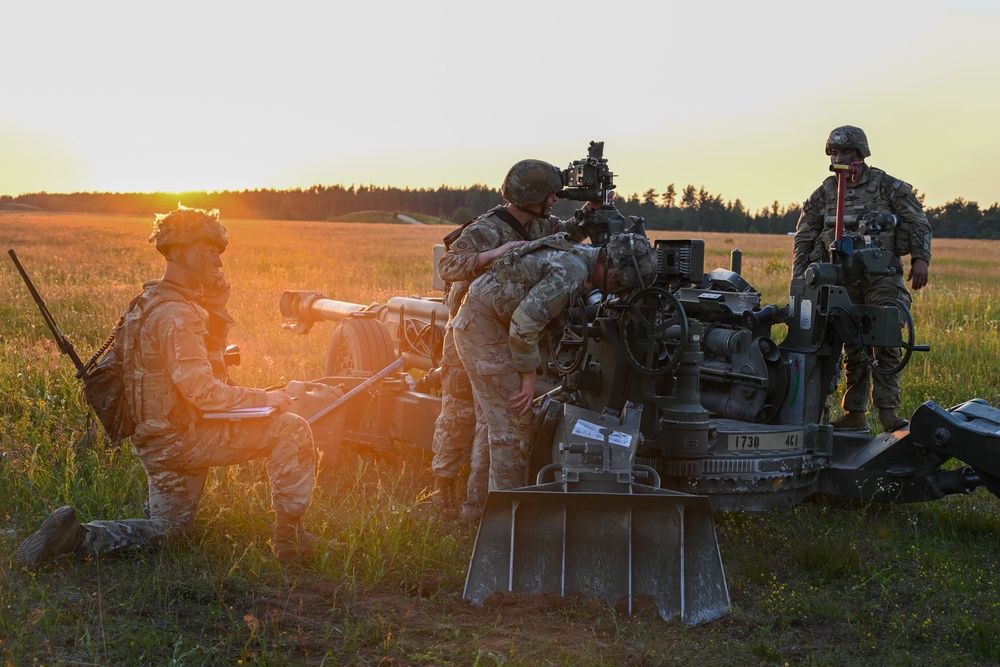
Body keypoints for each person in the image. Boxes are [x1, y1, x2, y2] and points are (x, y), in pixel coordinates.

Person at [14, 206, 321, 567]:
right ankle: (290, 542)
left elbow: (202, 372)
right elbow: (205, 392)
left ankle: (78, 537)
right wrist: (267, 398)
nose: (217, 260)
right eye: (206, 249)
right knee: (291, 427)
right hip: (183, 440)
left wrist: (216, 311)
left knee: (171, 530)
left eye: (218, 251)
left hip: (155, 443)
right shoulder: (177, 314)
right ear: (178, 252)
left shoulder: (147, 303)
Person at [432, 159, 591, 519]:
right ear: (531, 195)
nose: (555, 202)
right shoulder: (487, 229)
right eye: (550, 195)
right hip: (467, 330)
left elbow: (562, 235)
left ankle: (478, 501)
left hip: (504, 332)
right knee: (458, 413)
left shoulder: (539, 223)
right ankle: (442, 487)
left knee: (493, 419)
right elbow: (448, 266)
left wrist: (589, 212)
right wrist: (492, 255)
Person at [452, 232, 657, 498]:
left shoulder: (576, 258)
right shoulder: (571, 273)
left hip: (484, 323)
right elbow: (524, 325)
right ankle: (505, 517)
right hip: (484, 329)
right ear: (613, 272)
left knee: (495, 422)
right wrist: (529, 378)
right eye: (620, 286)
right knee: (514, 426)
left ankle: (478, 507)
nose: (615, 291)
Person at [793, 125, 932, 433]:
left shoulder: (887, 186)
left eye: (847, 153)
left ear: (860, 155)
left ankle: (888, 413)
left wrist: (921, 259)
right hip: (841, 279)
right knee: (851, 346)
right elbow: (806, 233)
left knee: (885, 340)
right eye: (836, 153)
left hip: (881, 277)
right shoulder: (826, 192)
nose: (841, 158)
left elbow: (917, 222)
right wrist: (800, 277)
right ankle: (854, 413)